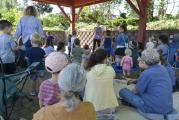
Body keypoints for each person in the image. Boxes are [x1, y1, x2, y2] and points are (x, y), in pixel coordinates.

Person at [119, 49, 173, 119]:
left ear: (143, 62)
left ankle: (129, 102)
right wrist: (136, 80)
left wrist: (130, 95)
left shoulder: (146, 73)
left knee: (123, 91)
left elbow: (136, 91)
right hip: (168, 107)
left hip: (151, 109)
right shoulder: (163, 68)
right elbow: (154, 80)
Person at [84, 49, 118, 114]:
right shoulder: (111, 69)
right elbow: (113, 77)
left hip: (92, 107)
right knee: (112, 83)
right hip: (110, 107)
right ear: (105, 58)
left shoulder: (88, 71)